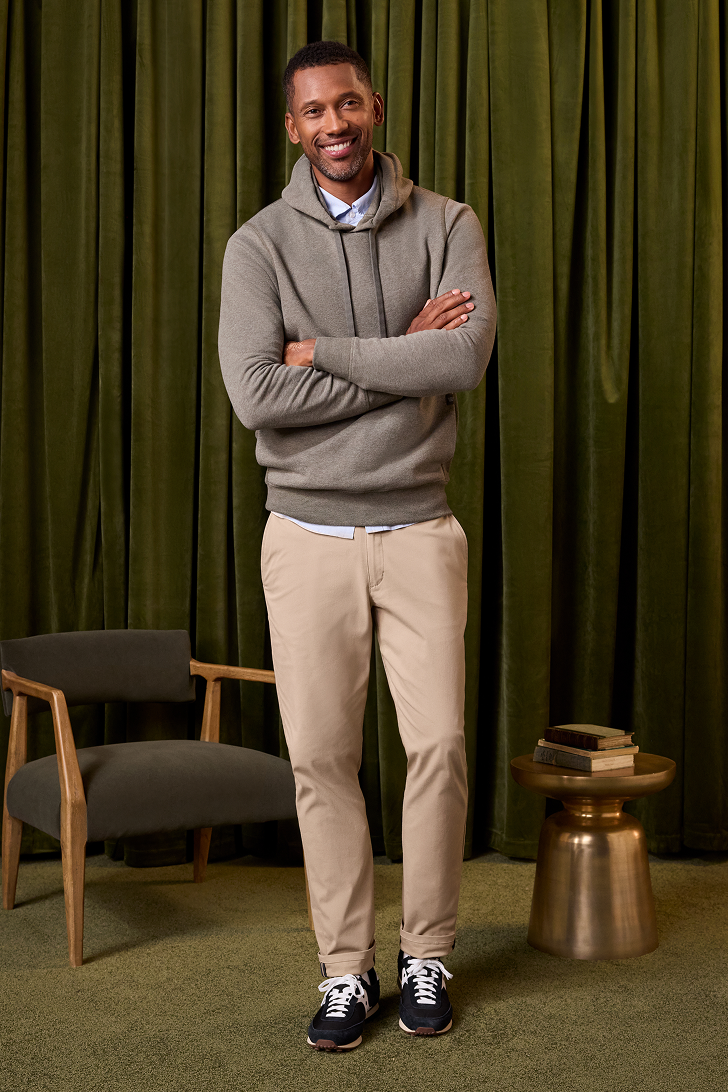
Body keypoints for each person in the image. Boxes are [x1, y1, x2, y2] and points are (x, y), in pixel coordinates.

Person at [218, 40, 496, 1051]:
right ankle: (347, 970)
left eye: (348, 104)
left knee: (438, 750)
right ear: (291, 128)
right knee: (322, 760)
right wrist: (398, 358)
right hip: (304, 537)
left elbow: (459, 356)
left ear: (372, 106)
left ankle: (424, 953)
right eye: (313, 113)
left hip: (420, 528)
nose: (334, 124)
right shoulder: (255, 248)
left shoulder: (448, 223)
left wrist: (324, 353)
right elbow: (256, 394)